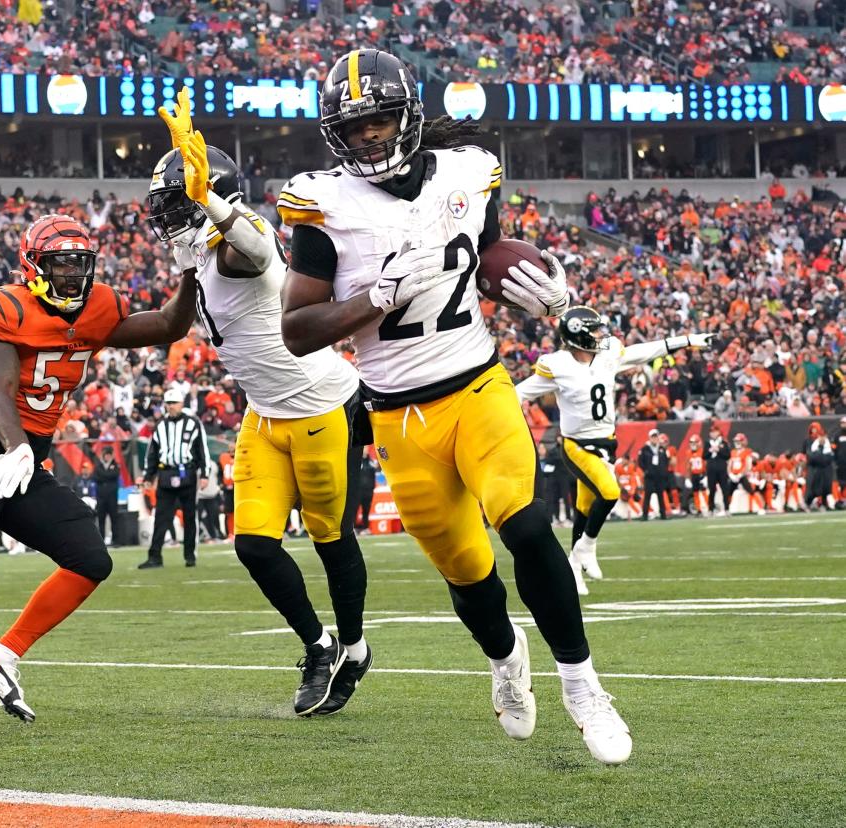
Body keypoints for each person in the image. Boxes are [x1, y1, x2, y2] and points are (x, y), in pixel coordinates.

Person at [277, 49, 629, 764]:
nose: (371, 137)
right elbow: (295, 330)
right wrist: (374, 298)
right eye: (357, 127)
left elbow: (489, 253)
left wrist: (544, 293)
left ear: (405, 116)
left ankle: (584, 684)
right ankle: (506, 662)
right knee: (467, 571)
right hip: (398, 417)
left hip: (476, 386)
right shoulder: (322, 203)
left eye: (379, 121)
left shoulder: (470, 171)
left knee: (527, 526)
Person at [0, 213, 196, 747]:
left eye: (79, 262)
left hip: (27, 457)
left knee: (90, 557)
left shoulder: (98, 308)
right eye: (59, 262)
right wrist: (18, 447)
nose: (71, 273)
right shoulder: (4, 305)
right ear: (33, 265)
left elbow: (169, 327)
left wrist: (188, 271)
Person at [147, 93, 371, 713]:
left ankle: (353, 646)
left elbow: (258, 250)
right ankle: (319, 645)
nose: (165, 217)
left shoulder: (235, 237)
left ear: (206, 194)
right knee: (253, 544)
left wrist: (209, 201)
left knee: (330, 538)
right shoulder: (197, 248)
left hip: (320, 407)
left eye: (175, 203)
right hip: (264, 415)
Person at [516, 306, 713, 584]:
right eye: (595, 330)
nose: (601, 334)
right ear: (579, 336)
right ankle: (586, 548)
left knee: (584, 506)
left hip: (606, 443)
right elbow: (520, 392)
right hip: (576, 445)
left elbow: (647, 351)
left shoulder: (608, 355)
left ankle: (573, 565)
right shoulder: (558, 365)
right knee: (609, 493)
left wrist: (688, 340)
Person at [138, 390, 207, 567]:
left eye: (174, 402)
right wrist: (148, 475)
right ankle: (155, 557)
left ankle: (190, 556)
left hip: (187, 474)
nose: (170, 406)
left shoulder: (193, 423)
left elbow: (202, 450)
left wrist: (204, 474)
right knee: (161, 517)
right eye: (168, 403)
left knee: (190, 517)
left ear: (181, 403)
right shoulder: (160, 425)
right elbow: (152, 453)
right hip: (166, 474)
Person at [90, 446, 121, 544]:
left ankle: (116, 540)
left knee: (114, 519)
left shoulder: (115, 465)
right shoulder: (98, 465)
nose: (107, 457)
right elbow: (94, 477)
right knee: (101, 519)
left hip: (112, 497)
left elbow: (114, 475)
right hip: (101, 497)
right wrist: (107, 476)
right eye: (106, 455)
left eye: (109, 455)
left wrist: (103, 476)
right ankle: (101, 540)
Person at [637, 429, 669, 521]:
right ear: (650, 438)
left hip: (659, 476)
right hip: (649, 476)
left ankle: (663, 514)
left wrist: (663, 472)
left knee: (660, 496)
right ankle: (645, 515)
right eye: (653, 437)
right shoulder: (645, 449)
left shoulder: (661, 449)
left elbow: (666, 461)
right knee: (647, 496)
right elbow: (640, 461)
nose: (655, 438)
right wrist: (646, 470)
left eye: (656, 437)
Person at [705, 425, 731, 515]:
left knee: (725, 489)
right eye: (711, 432)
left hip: (721, 469)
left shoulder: (723, 442)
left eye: (715, 432)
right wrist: (710, 451)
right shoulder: (707, 443)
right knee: (711, 490)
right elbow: (704, 456)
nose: (713, 434)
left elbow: (727, 455)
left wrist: (718, 450)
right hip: (711, 469)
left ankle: (727, 508)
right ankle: (710, 509)